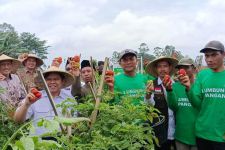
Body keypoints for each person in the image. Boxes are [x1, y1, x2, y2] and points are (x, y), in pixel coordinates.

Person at [179, 40, 225, 150]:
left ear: (223, 54)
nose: (209, 59)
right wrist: (189, 89)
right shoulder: (203, 75)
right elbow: (197, 104)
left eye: (214, 55)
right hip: (202, 133)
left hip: (221, 136)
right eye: (207, 56)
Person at [14, 66, 75, 136]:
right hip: (38, 143)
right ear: (44, 81)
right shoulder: (34, 97)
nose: (52, 82)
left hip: (61, 142)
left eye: (56, 79)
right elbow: (17, 120)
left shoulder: (69, 100)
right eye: (49, 79)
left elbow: (73, 123)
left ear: (62, 81)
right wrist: (26, 105)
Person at [145, 56, 178, 150]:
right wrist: (148, 94)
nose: (162, 69)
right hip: (160, 131)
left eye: (165, 66)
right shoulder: (152, 85)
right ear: (156, 69)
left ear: (170, 67)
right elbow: (149, 106)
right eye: (159, 66)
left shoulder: (177, 85)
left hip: (176, 130)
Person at [166, 57, 198, 150]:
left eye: (186, 67)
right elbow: (173, 107)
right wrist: (169, 91)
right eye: (180, 68)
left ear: (194, 69)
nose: (182, 70)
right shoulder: (175, 86)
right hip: (181, 135)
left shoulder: (200, 85)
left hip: (199, 135)